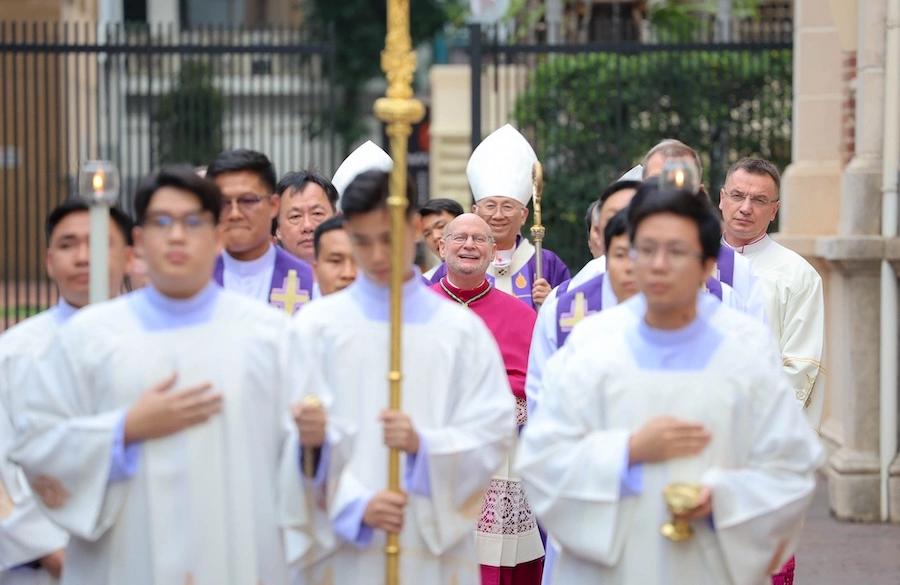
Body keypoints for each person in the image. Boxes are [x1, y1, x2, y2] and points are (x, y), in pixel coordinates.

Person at [9, 166, 318, 585]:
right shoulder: (86, 339)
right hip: (124, 560)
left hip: (238, 559)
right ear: (138, 242)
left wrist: (316, 445)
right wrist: (123, 431)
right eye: (162, 222)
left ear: (217, 237)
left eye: (193, 222)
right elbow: (38, 444)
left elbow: (308, 464)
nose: (177, 236)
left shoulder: (271, 337)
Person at [516, 185, 825, 585]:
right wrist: (627, 453)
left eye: (676, 252)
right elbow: (542, 460)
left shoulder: (745, 350)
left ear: (707, 263)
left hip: (709, 561)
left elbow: (789, 466)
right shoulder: (590, 346)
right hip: (609, 567)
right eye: (645, 249)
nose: (658, 265)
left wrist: (725, 499)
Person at [290, 170, 516, 585]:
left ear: (416, 228)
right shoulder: (314, 328)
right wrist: (352, 504)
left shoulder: (459, 332)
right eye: (362, 241)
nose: (376, 256)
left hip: (428, 544)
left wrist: (423, 446)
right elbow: (280, 445)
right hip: (340, 547)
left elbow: (493, 433)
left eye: (388, 238)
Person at [0, 199, 134, 585]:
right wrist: (52, 552)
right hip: (40, 566)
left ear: (128, 256)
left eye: (97, 244)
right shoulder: (15, 352)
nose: (81, 257)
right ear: (48, 260)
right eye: (67, 244)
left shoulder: (155, 345)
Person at [429, 213, 543, 585]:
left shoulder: (521, 315)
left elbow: (535, 383)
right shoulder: (415, 309)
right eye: (459, 237)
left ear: (494, 251)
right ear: (441, 246)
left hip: (497, 463)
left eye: (480, 239)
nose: (469, 245)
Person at [429, 125, 570, 309]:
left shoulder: (545, 263)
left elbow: (571, 316)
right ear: (475, 211)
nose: (498, 215)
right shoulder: (457, 261)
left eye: (507, 206)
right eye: (490, 206)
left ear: (524, 215)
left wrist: (553, 301)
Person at [641, 139, 767, 323]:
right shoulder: (603, 271)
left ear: (698, 192)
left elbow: (756, 345)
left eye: (679, 184)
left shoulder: (738, 271)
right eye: (655, 183)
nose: (667, 195)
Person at [206, 149, 315, 315]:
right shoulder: (195, 284)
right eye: (223, 202)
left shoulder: (310, 283)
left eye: (248, 200)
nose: (235, 214)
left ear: (273, 206)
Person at [275, 170, 339, 266]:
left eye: (317, 214)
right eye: (295, 216)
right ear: (278, 228)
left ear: (336, 220)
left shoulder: (359, 276)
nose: (307, 226)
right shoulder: (265, 278)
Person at [312, 215, 357, 296]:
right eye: (335, 261)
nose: (348, 274)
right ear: (315, 271)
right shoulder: (306, 309)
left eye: (358, 262)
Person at [420, 198, 464, 279]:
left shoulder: (490, 270)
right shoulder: (427, 282)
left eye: (440, 226)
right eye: (427, 234)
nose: (435, 236)